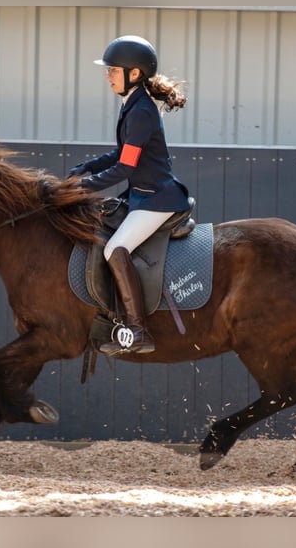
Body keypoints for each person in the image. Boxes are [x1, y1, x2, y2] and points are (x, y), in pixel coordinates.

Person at [69, 35, 191, 355]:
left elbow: (125, 167)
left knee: (115, 248)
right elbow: (121, 153)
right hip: (142, 194)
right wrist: (86, 168)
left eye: (113, 70)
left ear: (134, 74)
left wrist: (83, 187)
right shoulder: (133, 103)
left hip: (157, 199)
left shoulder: (140, 111)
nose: (107, 75)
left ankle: (138, 331)